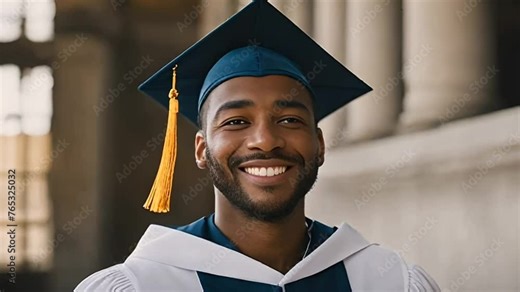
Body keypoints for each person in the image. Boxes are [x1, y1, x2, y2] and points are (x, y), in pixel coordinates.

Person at [75, 0, 440, 291]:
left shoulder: (386, 281)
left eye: (289, 120)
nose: (265, 140)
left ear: (319, 144)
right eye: (236, 122)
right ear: (201, 149)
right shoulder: (145, 284)